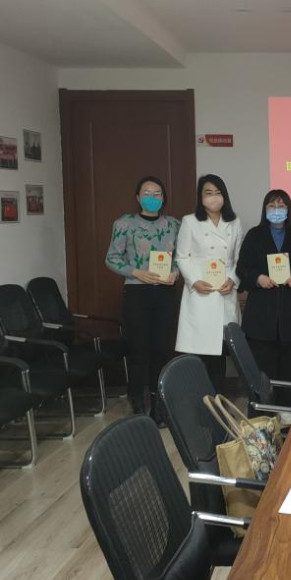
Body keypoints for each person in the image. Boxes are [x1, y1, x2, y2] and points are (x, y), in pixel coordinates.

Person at [104, 176, 181, 416]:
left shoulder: (174, 225)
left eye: (157, 194)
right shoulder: (125, 224)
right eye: (147, 193)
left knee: (161, 349)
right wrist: (136, 272)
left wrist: (176, 272)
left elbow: (182, 257)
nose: (152, 197)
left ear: (163, 198)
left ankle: (159, 401)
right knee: (138, 348)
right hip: (137, 291)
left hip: (165, 292)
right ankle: (137, 397)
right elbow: (111, 258)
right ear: (138, 197)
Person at [236, 189, 291, 394]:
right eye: (272, 206)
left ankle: (290, 409)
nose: (276, 210)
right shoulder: (254, 235)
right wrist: (257, 278)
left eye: (281, 205)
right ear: (265, 209)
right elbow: (242, 269)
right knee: (263, 372)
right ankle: (263, 409)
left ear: (288, 209)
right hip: (262, 314)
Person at [175, 174, 242, 393]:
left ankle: (217, 400)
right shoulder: (190, 221)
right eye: (208, 193)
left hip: (224, 292)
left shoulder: (234, 221)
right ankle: (199, 402)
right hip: (201, 294)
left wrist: (233, 280)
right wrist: (194, 281)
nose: (213, 197)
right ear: (200, 196)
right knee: (200, 353)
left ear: (225, 196)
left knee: (220, 351)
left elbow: (240, 258)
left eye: (218, 193)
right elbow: (181, 257)